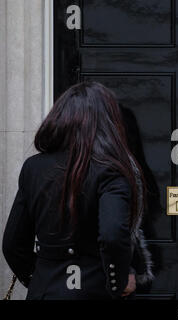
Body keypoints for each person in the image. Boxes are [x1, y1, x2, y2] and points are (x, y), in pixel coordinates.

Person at [2, 81, 154, 299]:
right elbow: (112, 235)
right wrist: (117, 282)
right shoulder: (112, 169)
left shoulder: (33, 167)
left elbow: (13, 244)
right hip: (95, 290)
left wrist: (40, 279)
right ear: (107, 122)